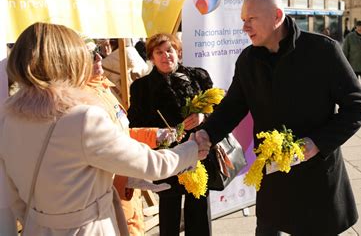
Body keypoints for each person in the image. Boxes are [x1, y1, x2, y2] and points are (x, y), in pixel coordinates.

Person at [0, 22, 211, 235]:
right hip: (88, 228)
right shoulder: (82, 118)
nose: (96, 59)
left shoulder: (8, 119)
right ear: (70, 62)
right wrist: (192, 149)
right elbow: (152, 164)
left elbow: (13, 196)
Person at [195, 0, 361, 235]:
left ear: (277, 16)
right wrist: (206, 134)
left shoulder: (323, 51)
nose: (245, 27)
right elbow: (232, 107)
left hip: (316, 177)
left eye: (251, 19)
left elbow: (357, 107)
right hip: (273, 178)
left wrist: (316, 143)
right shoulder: (248, 60)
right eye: (243, 20)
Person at [128, 33, 213, 236]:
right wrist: (159, 134)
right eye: (159, 52)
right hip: (165, 159)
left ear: (178, 52)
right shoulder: (141, 88)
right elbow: (134, 124)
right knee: (169, 215)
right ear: (151, 57)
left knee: (199, 213)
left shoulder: (198, 77)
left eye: (170, 50)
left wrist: (203, 116)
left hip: (197, 154)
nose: (166, 56)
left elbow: (219, 109)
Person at [85, 37, 172, 236]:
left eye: (98, 51)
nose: (100, 57)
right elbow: (106, 147)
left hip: (125, 186)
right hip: (109, 192)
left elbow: (121, 133)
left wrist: (154, 135)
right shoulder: (83, 98)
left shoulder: (103, 88)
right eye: (92, 55)